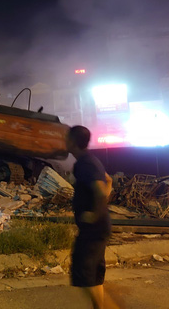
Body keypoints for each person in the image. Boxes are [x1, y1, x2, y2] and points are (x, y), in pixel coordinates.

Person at [67, 125, 114, 309]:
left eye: (67, 138)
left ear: (72, 141)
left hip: (92, 231)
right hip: (99, 229)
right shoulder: (91, 160)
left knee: (83, 275)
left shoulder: (85, 164)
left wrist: (94, 215)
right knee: (94, 276)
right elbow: (108, 181)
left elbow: (100, 192)